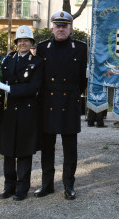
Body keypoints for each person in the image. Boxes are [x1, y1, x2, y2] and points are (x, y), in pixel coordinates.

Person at [35, 11, 87, 200]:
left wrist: (73, 94)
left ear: (70, 28)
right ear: (52, 28)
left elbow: (83, 79)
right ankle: (47, 184)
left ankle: (69, 185)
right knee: (47, 148)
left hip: (69, 102)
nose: (61, 29)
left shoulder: (80, 48)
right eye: (58, 26)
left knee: (70, 149)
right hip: (47, 102)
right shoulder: (43, 48)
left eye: (64, 26)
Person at [0, 26, 43, 201]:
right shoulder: (7, 60)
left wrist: (9, 88)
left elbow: (33, 87)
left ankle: (22, 188)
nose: (23, 43)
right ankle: (9, 186)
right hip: (8, 111)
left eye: (26, 41)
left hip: (26, 111)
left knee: (23, 151)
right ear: (16, 43)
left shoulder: (37, 63)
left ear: (31, 43)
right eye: (20, 41)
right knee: (8, 151)